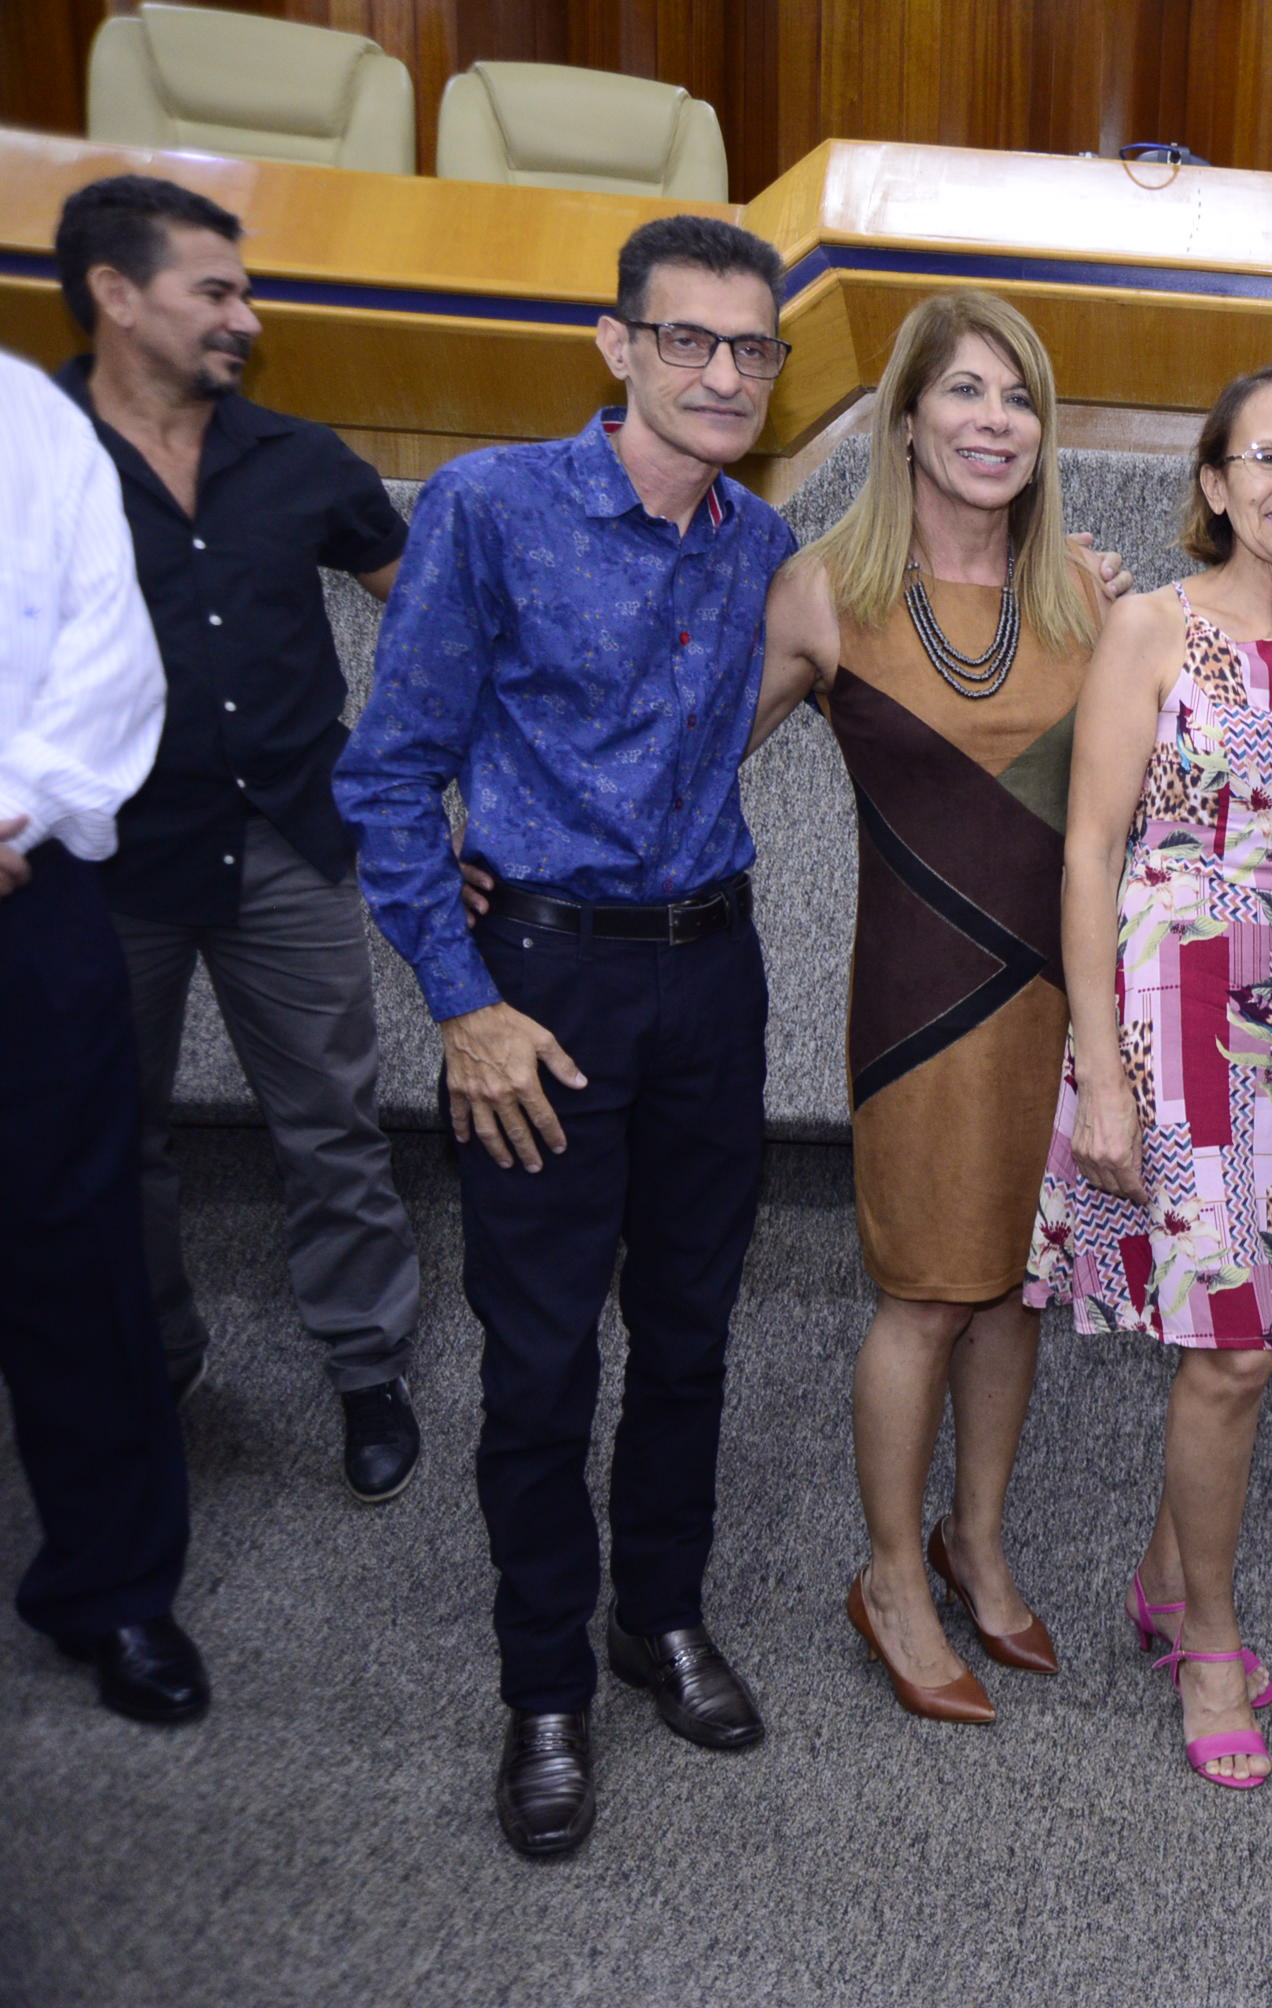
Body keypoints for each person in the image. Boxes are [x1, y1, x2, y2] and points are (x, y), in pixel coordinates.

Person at [335, 216, 800, 1859]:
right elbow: (390, 774)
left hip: (712, 982)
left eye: (754, 349)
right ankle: (543, 1686)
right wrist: (461, 1003)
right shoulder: (490, 506)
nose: (725, 374)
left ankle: (653, 1616)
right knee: (539, 1362)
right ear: (618, 345)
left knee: (690, 1335)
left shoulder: (763, 540)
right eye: (690, 340)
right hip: (537, 993)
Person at [750, 291, 1111, 1724]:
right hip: (921, 1010)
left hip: (1063, 1005)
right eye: (965, 392)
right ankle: (892, 1574)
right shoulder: (821, 592)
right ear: (905, 419)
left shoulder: (1083, 592)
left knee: (1014, 1287)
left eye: (1019, 400)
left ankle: (979, 1541)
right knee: (923, 1295)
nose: (994, 423)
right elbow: (681, 765)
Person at [51, 175, 425, 1501]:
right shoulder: (30, 460)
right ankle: (153, 1357)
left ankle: (367, 1365)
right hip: (100, 860)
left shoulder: (299, 459)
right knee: (113, 1133)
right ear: (116, 294)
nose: (245, 316)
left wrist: (417, 773)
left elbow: (428, 611)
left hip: (288, 843)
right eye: (213, 290)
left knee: (332, 1123)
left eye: (245, 290)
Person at [1027, 365, 1272, 1789]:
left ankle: (1169, 1583)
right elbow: (1087, 851)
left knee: (1247, 1327)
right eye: (1266, 459)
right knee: (1233, 1349)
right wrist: (1100, 1075)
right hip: (1176, 1025)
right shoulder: (1151, 627)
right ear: (1216, 485)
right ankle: (1211, 1645)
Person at [0, 349, 209, 1729]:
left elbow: (106, 653)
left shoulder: (27, 416)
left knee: (76, 1254)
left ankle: (112, 1584)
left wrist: (15, 802)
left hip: (24, 876)